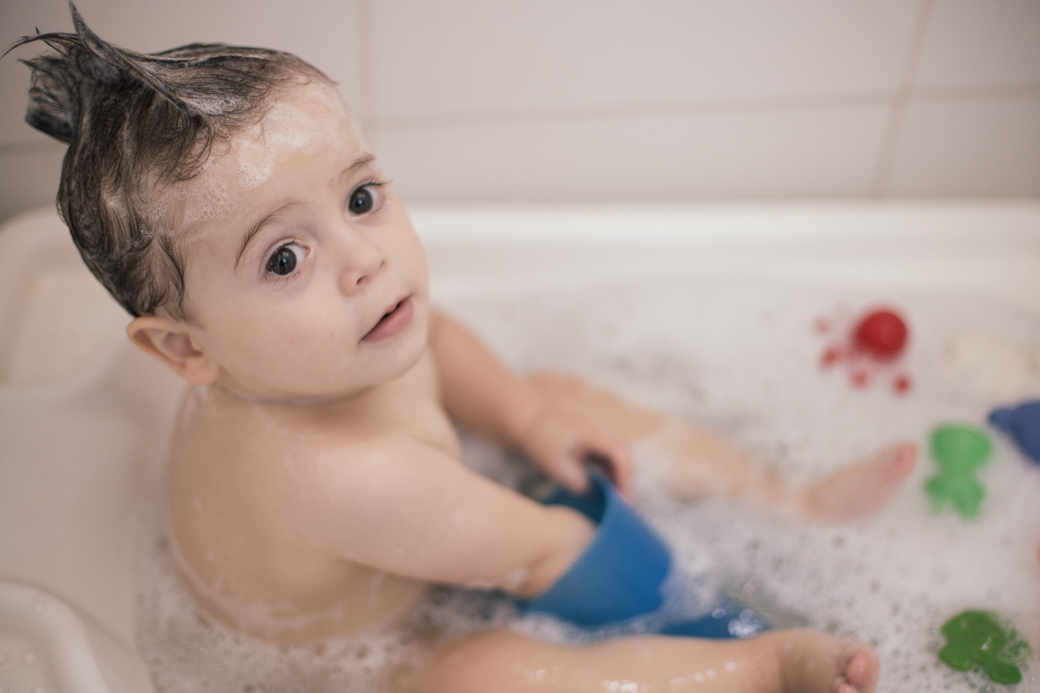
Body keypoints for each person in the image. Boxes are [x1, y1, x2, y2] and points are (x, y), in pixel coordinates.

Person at [11, 6, 916, 691]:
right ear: (181, 348)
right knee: (491, 670)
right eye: (286, 257)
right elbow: (541, 553)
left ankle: (791, 499)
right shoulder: (339, 474)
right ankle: (759, 669)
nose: (365, 260)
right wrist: (695, 596)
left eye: (361, 199)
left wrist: (526, 419)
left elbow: (439, 334)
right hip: (373, 661)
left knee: (557, 390)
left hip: (442, 527)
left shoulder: (317, 349)